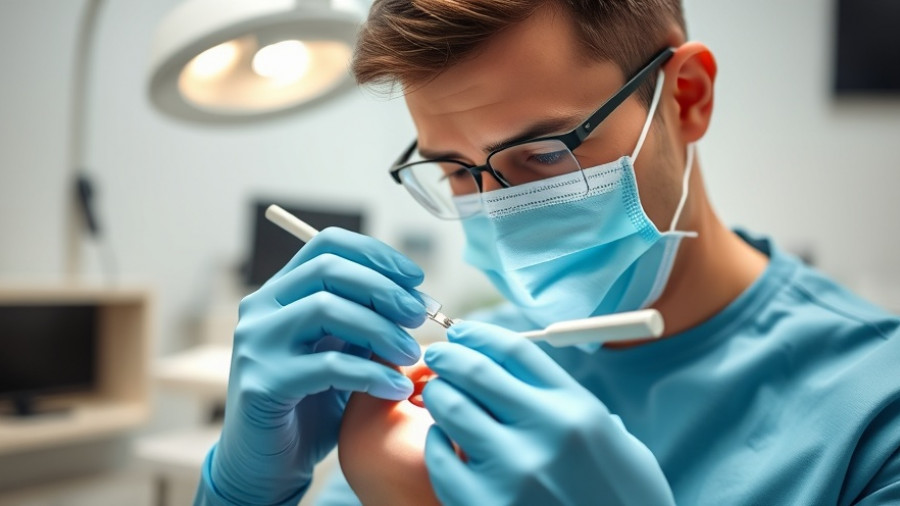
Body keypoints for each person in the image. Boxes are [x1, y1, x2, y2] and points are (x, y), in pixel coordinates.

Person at [195, 0, 900, 504]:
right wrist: (238, 492)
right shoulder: (445, 385)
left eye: (544, 154)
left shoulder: (876, 418)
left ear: (685, 98)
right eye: (455, 172)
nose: (499, 211)